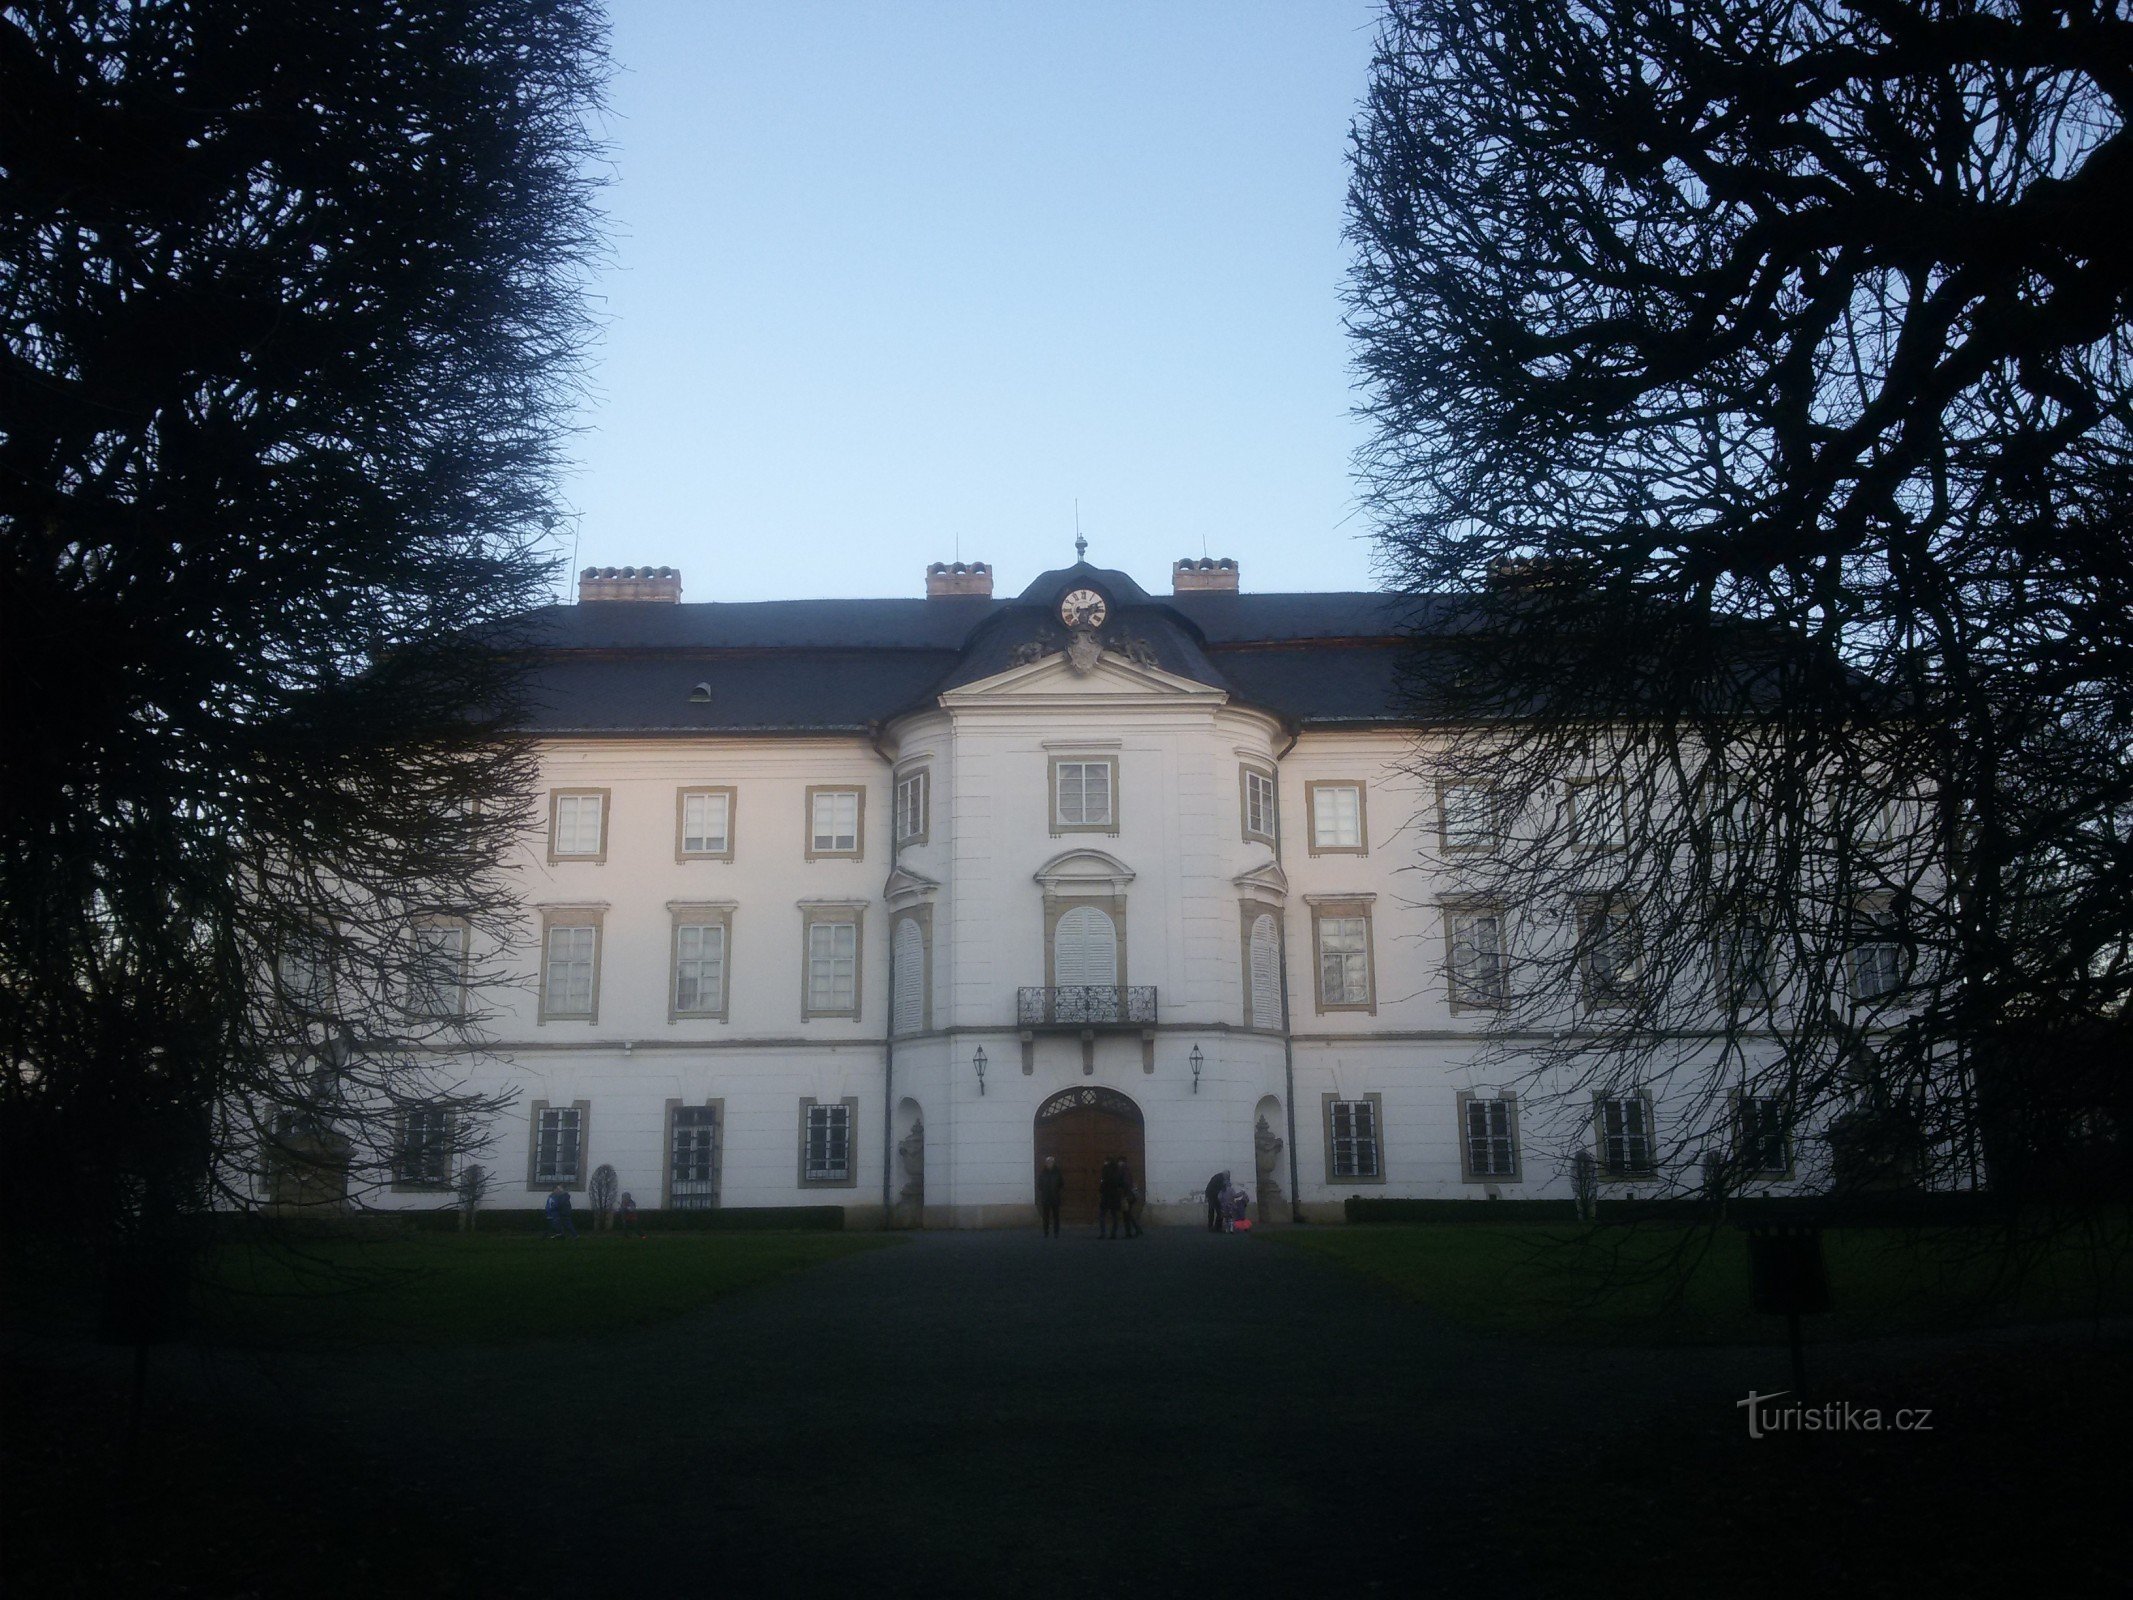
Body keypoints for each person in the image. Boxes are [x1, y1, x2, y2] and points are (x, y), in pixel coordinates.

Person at [1035, 1156, 1065, 1237]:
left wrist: (1056, 1191)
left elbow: (1061, 1184)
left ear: (1053, 1163)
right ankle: (1046, 1232)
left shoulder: (1057, 1173)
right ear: (1046, 1164)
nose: (1049, 1164)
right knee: (1046, 1216)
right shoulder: (1043, 1173)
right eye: (1048, 1162)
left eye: (1051, 1162)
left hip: (1055, 1197)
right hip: (1046, 1198)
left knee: (1056, 1216)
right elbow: (1039, 1185)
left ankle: (1056, 1232)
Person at [1097, 1157, 1125, 1239]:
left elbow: (1103, 1183)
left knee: (1102, 1215)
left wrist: (1101, 1191)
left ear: (1107, 1162)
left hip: (1106, 1196)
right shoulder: (1118, 1171)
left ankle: (1103, 1233)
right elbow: (1121, 1183)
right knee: (1114, 1215)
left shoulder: (1105, 1170)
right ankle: (1113, 1233)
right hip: (1115, 1196)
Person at [1117, 1159, 1143, 1237]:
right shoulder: (1126, 1171)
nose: (1118, 1163)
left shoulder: (1123, 1171)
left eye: (1119, 1162)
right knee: (1127, 1214)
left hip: (1127, 1196)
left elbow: (1125, 1184)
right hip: (1129, 1196)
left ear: (1122, 1162)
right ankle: (1136, 1229)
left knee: (1126, 1214)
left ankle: (1130, 1232)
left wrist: (1122, 1191)